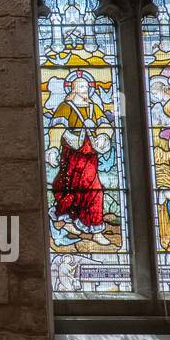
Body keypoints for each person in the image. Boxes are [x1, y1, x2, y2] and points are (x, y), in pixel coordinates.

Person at [48, 70, 112, 247]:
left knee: (95, 190)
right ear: (73, 88)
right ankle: (68, 221)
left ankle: (96, 230)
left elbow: (104, 125)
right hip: (72, 158)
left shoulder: (93, 107)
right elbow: (57, 127)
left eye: (87, 86)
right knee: (69, 189)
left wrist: (104, 136)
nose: (86, 90)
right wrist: (53, 148)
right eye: (82, 86)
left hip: (90, 157)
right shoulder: (65, 107)